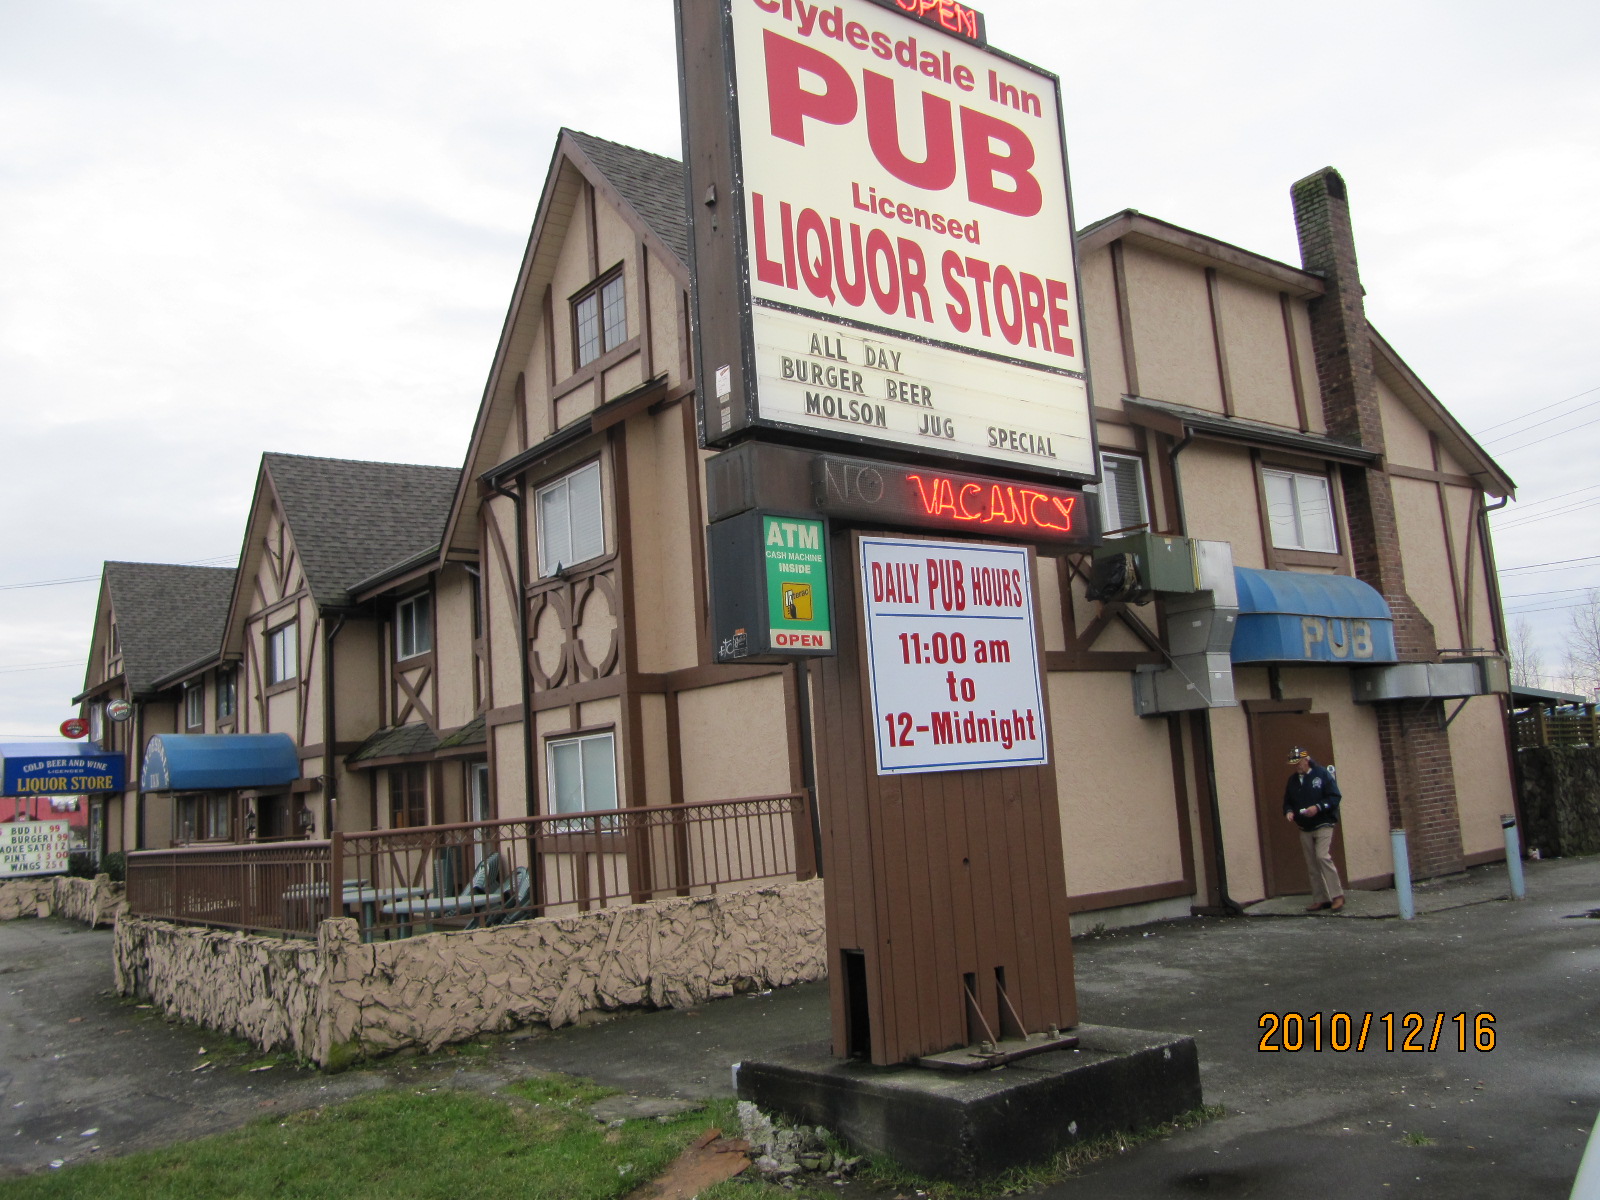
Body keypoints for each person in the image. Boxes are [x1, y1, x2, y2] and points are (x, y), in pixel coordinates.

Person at [1283, 746, 1344, 912]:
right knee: (1312, 864)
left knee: (1322, 856)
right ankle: (1321, 898)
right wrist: (1288, 811)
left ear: (1306, 759)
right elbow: (1288, 801)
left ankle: (1337, 895)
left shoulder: (1322, 774)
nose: (1297, 766)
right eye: (1294, 764)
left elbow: (1334, 797)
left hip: (1323, 823)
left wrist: (1318, 807)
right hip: (1304, 826)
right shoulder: (1293, 780)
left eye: (1299, 762)